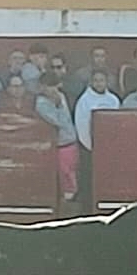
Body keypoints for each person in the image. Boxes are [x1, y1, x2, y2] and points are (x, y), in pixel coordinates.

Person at [35, 72, 79, 203]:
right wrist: (58, 105)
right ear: (42, 87)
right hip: (57, 144)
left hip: (70, 140)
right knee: (62, 172)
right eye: (49, 86)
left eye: (54, 86)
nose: (52, 89)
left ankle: (71, 196)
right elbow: (58, 122)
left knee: (71, 171)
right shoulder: (41, 103)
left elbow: (67, 120)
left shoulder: (61, 96)